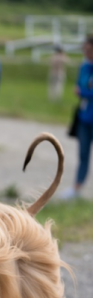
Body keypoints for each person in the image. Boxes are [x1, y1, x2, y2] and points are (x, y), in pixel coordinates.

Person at [61, 35, 93, 199]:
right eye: (84, 49)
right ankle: (77, 187)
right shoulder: (84, 66)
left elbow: (81, 90)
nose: (86, 53)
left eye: (89, 50)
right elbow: (78, 85)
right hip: (84, 117)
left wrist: (84, 92)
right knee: (83, 154)